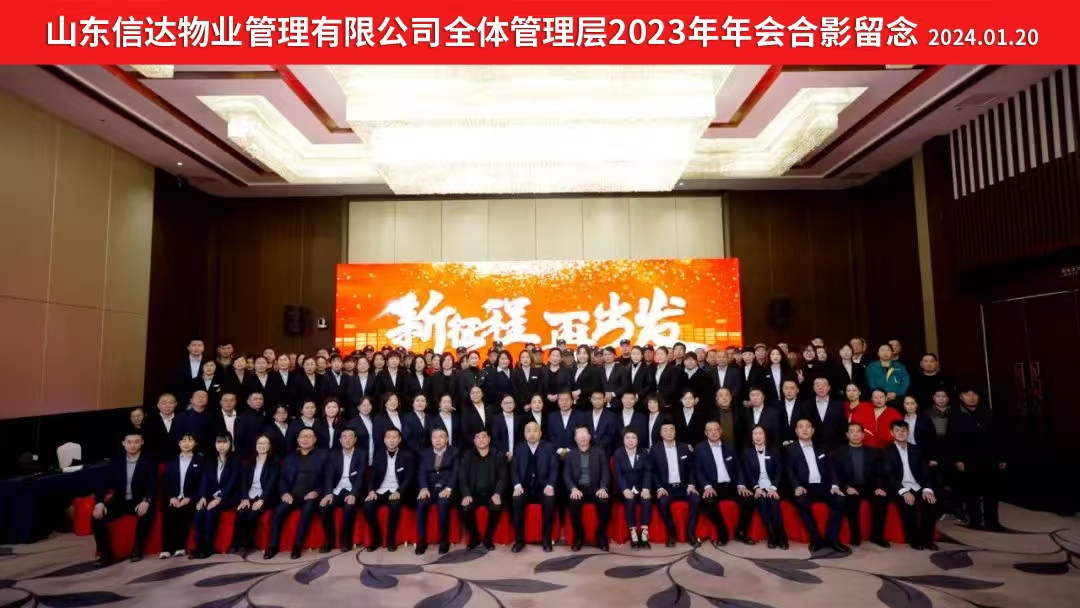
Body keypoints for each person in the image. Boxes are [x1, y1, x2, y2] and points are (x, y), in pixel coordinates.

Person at [92, 431, 157, 565]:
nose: (133, 445)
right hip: (120, 501)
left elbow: (152, 484)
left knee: (145, 513)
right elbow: (102, 484)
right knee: (96, 516)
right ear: (123, 443)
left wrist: (147, 501)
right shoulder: (116, 461)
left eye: (136, 442)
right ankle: (105, 554)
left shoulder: (149, 461)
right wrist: (99, 502)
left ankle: (137, 550)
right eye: (129, 442)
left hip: (139, 500)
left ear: (142, 442)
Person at [784, 419, 848, 553]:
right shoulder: (790, 449)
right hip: (804, 486)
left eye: (808, 427)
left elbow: (831, 468)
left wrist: (835, 486)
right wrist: (796, 486)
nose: (805, 429)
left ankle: (832, 538)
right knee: (801, 500)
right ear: (796, 431)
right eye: (801, 427)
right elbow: (788, 471)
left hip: (822, 485)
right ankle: (816, 539)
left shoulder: (821, 446)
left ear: (812, 431)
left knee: (840, 499)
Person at [948, 387, 1007, 531]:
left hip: (990, 459)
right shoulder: (956, 415)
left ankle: (992, 521)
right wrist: (957, 460)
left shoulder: (987, 413)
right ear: (961, 397)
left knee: (991, 493)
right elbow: (952, 440)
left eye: (974, 394)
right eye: (967, 394)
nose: (971, 397)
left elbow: (999, 437)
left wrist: (1002, 458)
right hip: (968, 460)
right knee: (971, 493)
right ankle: (975, 520)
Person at [265, 428, 328, 559]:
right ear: (298, 439)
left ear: (315, 439)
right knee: (278, 511)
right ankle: (272, 546)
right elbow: (282, 478)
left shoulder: (322, 456)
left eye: (309, 436)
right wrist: (284, 493)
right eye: (302, 436)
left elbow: (327, 478)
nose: (305, 439)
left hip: (310, 495)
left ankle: (297, 547)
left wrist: (317, 492)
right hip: (292, 495)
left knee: (307, 511)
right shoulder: (290, 457)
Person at [882, 420, 940, 550]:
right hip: (899, 487)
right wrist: (903, 491)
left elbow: (925, 472)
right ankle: (914, 540)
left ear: (908, 432)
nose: (901, 433)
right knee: (909, 507)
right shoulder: (887, 451)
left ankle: (928, 540)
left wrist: (927, 489)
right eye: (897, 430)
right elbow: (889, 475)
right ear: (891, 433)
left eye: (904, 430)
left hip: (917, 486)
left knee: (931, 504)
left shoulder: (917, 450)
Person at [695, 421, 755, 546]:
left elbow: (738, 467)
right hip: (713, 486)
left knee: (749, 499)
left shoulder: (730, 446)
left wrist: (741, 485)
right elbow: (698, 470)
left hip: (730, 486)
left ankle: (741, 532)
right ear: (706, 433)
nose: (713, 432)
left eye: (716, 429)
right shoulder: (700, 448)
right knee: (708, 502)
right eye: (710, 430)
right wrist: (707, 486)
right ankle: (722, 532)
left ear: (721, 431)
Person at [831, 423, 889, 548]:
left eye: (858, 432)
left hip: (869, 487)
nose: (855, 434)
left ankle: (876, 536)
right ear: (847, 435)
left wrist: (879, 487)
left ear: (863, 435)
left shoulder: (874, 452)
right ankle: (855, 536)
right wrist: (847, 487)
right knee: (851, 500)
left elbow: (879, 473)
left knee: (882, 499)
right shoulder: (838, 452)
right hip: (850, 487)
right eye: (852, 432)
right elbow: (836, 474)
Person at [363, 428, 417, 551]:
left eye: (394, 437)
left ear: (399, 440)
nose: (391, 440)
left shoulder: (407, 455)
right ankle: (377, 537)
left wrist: (399, 492)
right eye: (388, 437)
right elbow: (372, 476)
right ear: (384, 440)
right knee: (368, 505)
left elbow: (409, 477)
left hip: (398, 490)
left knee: (394, 504)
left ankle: (391, 539)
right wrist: (371, 491)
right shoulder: (379, 455)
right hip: (381, 490)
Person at [510, 421, 558, 552]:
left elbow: (554, 468)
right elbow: (514, 469)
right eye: (528, 430)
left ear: (540, 433)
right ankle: (519, 540)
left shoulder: (549, 447)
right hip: (524, 486)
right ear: (524, 433)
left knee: (549, 501)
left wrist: (550, 485)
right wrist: (517, 485)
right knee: (516, 500)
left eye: (535, 430)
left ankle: (546, 540)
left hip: (543, 486)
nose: (532, 434)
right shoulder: (519, 448)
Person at [651, 421, 700, 547]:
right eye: (665, 430)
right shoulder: (655, 449)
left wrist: (691, 484)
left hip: (684, 488)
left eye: (671, 429)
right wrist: (659, 488)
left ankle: (690, 533)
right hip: (666, 488)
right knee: (662, 503)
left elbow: (691, 469)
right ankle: (671, 534)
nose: (668, 432)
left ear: (675, 432)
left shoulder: (684, 447)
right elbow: (652, 471)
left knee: (696, 499)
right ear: (661, 433)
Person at [318, 427, 367, 553]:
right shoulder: (333, 454)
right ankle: (329, 542)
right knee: (324, 507)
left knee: (349, 507)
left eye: (350, 436)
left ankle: (346, 542)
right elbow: (328, 475)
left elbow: (361, 477)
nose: (347, 439)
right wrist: (328, 494)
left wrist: (353, 494)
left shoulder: (361, 454)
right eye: (344, 437)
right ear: (340, 440)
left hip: (353, 490)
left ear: (355, 439)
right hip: (337, 490)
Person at [563, 426, 611, 551]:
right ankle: (579, 535)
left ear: (590, 437)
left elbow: (605, 472)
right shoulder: (571, 454)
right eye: (579, 435)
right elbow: (566, 475)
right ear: (575, 438)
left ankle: (601, 535)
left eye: (585, 434)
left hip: (596, 488)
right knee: (573, 504)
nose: (582, 437)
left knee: (604, 503)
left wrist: (603, 487)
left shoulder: (599, 451)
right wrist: (573, 488)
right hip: (579, 489)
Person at [458, 429, 508, 550]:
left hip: (492, 493)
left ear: (489, 439)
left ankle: (488, 538)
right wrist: (466, 494)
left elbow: (503, 477)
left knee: (496, 507)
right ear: (474, 441)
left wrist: (497, 493)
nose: (481, 440)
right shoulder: (468, 455)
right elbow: (462, 477)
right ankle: (474, 537)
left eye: (484, 437)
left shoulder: (498, 455)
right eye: (478, 437)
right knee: (465, 508)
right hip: (473, 493)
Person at [192, 433, 240, 559]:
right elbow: (204, 479)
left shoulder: (236, 460)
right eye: (219, 442)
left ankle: (208, 546)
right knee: (199, 511)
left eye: (225, 442)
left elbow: (232, 482)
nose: (221, 446)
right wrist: (202, 497)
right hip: (211, 496)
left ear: (231, 444)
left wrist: (219, 498)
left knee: (211, 511)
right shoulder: (210, 459)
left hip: (228, 496)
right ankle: (199, 545)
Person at [741, 425, 788, 549]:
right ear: (751, 437)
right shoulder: (747, 453)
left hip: (773, 486)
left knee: (773, 502)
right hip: (757, 486)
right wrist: (756, 488)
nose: (758, 436)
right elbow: (748, 473)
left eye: (760, 433)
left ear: (765, 436)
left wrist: (773, 488)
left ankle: (781, 536)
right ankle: (771, 536)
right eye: (755, 434)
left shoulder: (774, 451)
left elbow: (779, 471)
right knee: (761, 500)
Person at [232, 435, 278, 554]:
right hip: (249, 495)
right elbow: (243, 482)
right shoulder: (249, 462)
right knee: (240, 512)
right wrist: (245, 498)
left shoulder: (274, 462)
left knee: (252, 514)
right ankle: (237, 543)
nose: (262, 446)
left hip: (265, 496)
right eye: (259, 443)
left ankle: (247, 543)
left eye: (265, 443)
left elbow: (271, 484)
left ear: (269, 446)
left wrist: (262, 500)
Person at [160, 432, 203, 559]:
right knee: (170, 512)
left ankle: (180, 547)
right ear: (178, 443)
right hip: (174, 497)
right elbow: (166, 482)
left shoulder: (200, 461)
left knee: (184, 512)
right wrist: (171, 497)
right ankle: (166, 548)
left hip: (191, 498)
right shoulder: (171, 461)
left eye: (190, 440)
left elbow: (202, 483)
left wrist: (190, 497)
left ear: (195, 443)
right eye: (183, 440)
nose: (186, 443)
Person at [416, 428, 459, 555]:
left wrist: (449, 488)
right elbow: (421, 472)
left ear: (447, 439)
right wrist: (423, 487)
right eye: (434, 437)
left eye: (441, 437)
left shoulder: (455, 452)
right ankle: (422, 540)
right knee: (421, 503)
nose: (437, 440)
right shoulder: (425, 453)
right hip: (429, 488)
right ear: (431, 439)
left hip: (446, 488)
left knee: (443, 503)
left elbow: (456, 472)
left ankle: (444, 540)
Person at [614, 428, 653, 549]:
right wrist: (625, 489)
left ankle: (644, 532)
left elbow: (647, 472)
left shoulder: (643, 452)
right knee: (629, 500)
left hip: (641, 486)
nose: (630, 441)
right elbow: (618, 474)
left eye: (633, 438)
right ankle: (633, 532)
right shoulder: (618, 453)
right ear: (623, 440)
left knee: (647, 500)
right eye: (627, 438)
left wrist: (646, 488)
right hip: (625, 488)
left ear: (637, 440)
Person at [144, 393, 182, 460]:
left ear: (176, 404)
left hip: (177, 459)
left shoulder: (182, 420)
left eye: (171, 403)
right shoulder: (149, 421)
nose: (167, 406)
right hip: (154, 459)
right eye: (164, 403)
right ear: (158, 405)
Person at [234, 391, 270, 460]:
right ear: (248, 402)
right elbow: (238, 440)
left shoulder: (264, 415)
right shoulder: (242, 417)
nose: (258, 401)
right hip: (248, 456)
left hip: (263, 452)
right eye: (255, 399)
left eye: (261, 399)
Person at [491, 393, 526, 461]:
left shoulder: (519, 418)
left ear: (514, 404)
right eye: (505, 403)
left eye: (511, 403)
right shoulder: (496, 419)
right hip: (501, 454)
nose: (508, 405)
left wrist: (515, 452)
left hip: (517, 454)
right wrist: (505, 452)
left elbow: (522, 437)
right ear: (501, 405)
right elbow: (495, 439)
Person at [585, 389, 619, 454]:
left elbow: (612, 435)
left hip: (605, 451)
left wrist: (597, 447)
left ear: (604, 400)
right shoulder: (586, 415)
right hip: (588, 450)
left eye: (600, 398)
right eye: (595, 399)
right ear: (591, 400)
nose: (597, 401)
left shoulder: (611, 415)